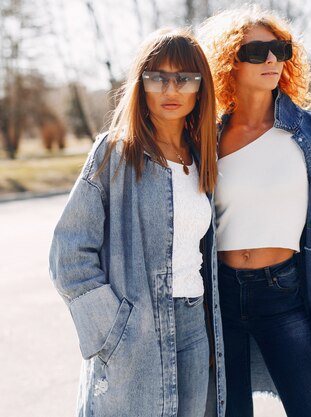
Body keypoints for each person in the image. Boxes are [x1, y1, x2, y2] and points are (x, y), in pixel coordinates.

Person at [198, 6, 311, 417]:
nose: (272, 60)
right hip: (217, 300)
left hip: (285, 294)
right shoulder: (205, 137)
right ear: (228, 62)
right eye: (256, 51)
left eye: (279, 49)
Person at [49, 28, 226, 417]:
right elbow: (69, 254)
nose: (171, 89)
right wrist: (114, 331)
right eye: (157, 77)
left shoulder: (201, 156)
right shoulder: (115, 153)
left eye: (184, 78)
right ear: (141, 84)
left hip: (195, 328)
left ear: (200, 87)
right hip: (136, 331)